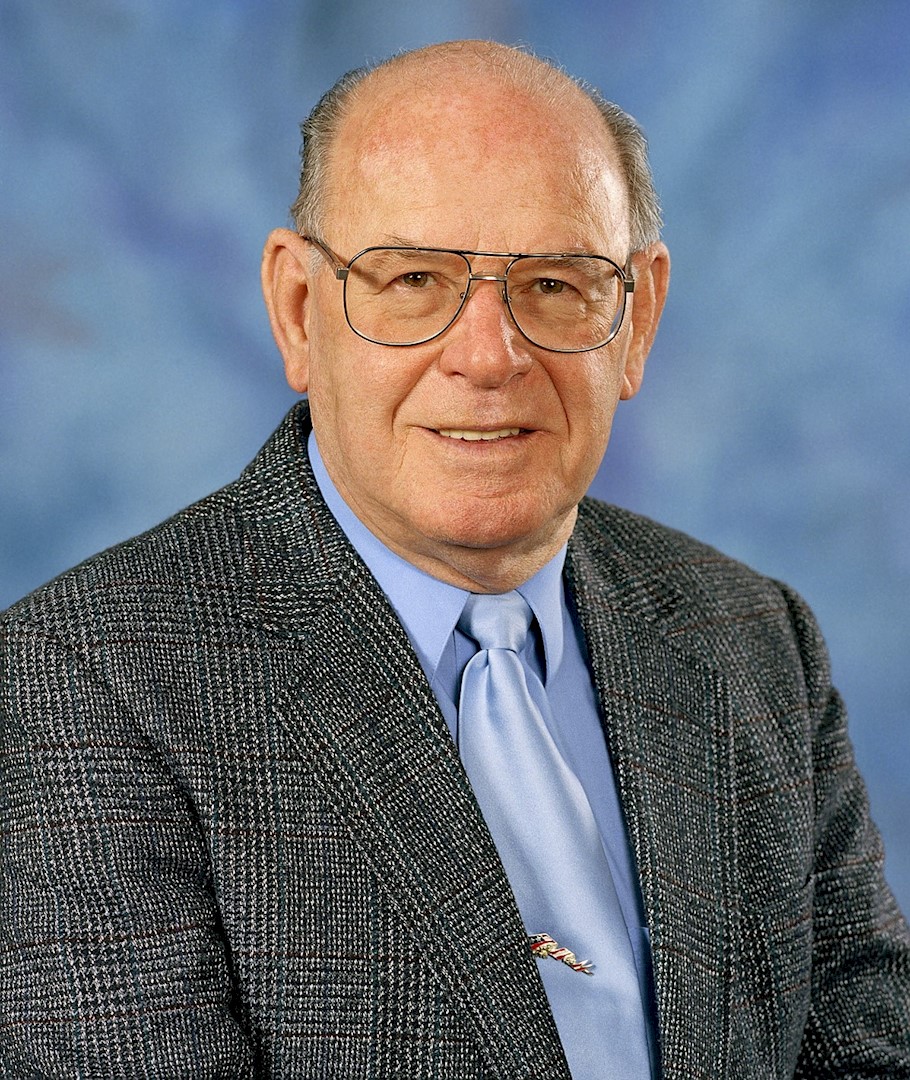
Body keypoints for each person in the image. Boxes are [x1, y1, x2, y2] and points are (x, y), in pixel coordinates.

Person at [1, 38, 908, 1080]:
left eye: (556, 284)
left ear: (637, 318)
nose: (488, 356)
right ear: (298, 310)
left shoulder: (753, 638)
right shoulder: (82, 683)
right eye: (413, 280)